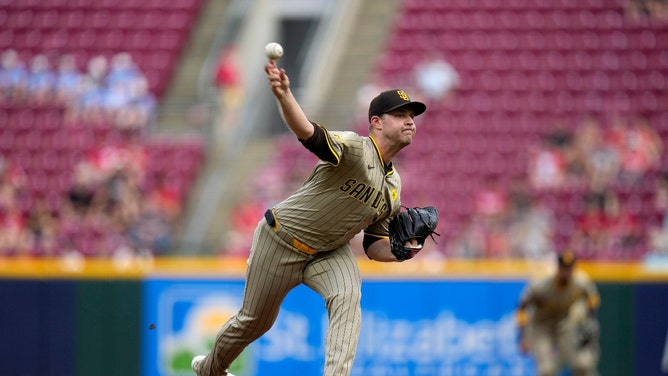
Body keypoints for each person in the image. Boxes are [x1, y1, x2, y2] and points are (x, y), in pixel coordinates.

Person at [191, 59, 428, 376]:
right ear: (377, 122)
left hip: (329, 250)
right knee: (255, 322)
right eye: (400, 115)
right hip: (282, 239)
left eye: (411, 116)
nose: (409, 121)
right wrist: (285, 95)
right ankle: (211, 369)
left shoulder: (394, 185)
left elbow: (374, 246)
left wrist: (404, 251)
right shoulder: (355, 148)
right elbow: (308, 132)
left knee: (347, 294)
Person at [516, 251, 601, 376]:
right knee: (546, 370)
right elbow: (522, 307)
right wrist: (522, 337)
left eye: (569, 268)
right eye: (564, 268)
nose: (567, 272)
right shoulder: (542, 285)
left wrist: (589, 321)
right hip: (541, 327)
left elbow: (592, 299)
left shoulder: (580, 282)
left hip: (564, 324)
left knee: (582, 364)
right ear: (558, 268)